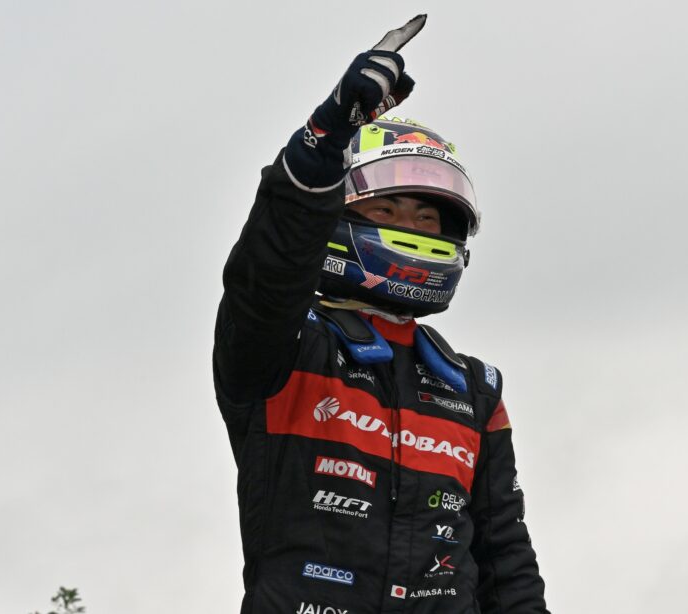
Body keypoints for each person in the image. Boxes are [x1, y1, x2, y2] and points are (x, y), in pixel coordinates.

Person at [213, 15, 549, 614]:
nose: (411, 228)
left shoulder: (474, 388)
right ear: (340, 215)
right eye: (387, 210)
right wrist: (322, 143)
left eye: (427, 218)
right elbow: (268, 270)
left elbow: (506, 561)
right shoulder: (285, 345)